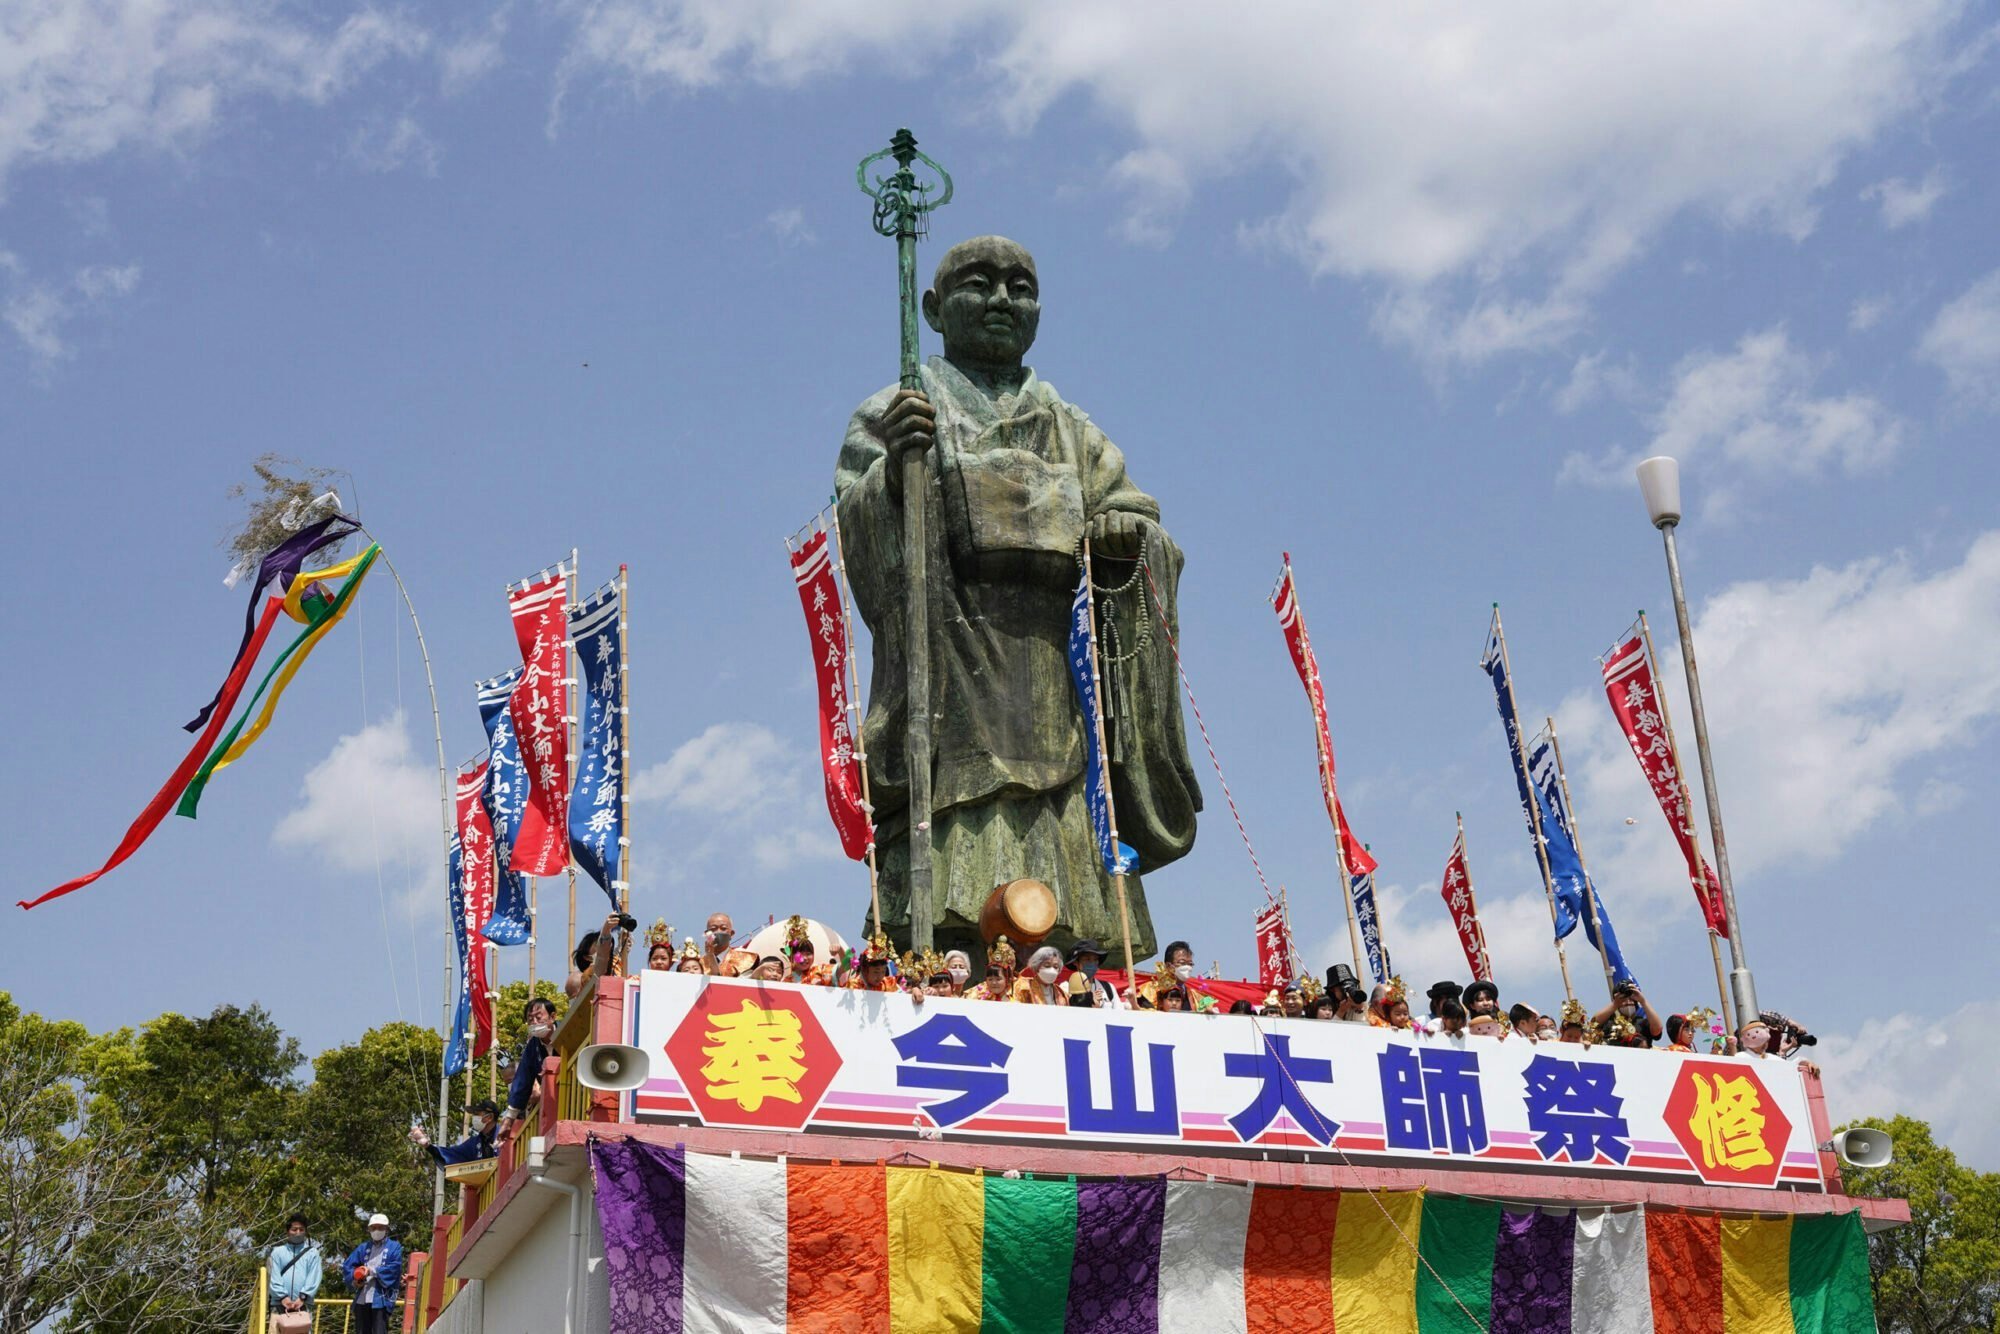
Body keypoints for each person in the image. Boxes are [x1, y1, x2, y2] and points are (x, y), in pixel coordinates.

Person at [835, 235, 1202, 961]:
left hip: (1052, 681)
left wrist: (1126, 537)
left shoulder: (1073, 429)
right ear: (933, 309)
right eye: (979, 283)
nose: (1002, 299)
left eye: (1021, 288)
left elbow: (1138, 519)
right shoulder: (900, 409)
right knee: (950, 890)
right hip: (953, 675)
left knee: (1072, 898)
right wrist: (897, 477)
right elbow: (860, 525)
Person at [496, 998, 557, 1142]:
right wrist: (509, 1120)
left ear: (552, 1017)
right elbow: (522, 1082)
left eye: (538, 1017)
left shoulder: (568, 1030)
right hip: (553, 1106)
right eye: (530, 1020)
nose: (534, 1022)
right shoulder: (532, 1048)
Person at [344, 1214, 404, 1334]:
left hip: (381, 1299)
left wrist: (371, 1271)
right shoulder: (363, 1247)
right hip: (362, 1298)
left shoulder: (394, 1247)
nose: (377, 1230)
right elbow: (348, 1266)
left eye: (380, 1227)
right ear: (369, 1229)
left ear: (386, 1229)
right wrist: (355, 1280)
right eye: (373, 1228)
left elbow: (395, 1267)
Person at [267, 1213, 322, 1331]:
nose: (298, 1232)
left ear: (305, 1231)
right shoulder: (277, 1252)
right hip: (278, 1304)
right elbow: (273, 1276)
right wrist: (283, 1297)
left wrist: (302, 1297)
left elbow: (314, 1277)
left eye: (301, 1229)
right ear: (287, 1231)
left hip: (303, 1305)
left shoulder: (312, 1253)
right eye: (294, 1229)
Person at [409, 1099, 498, 1166]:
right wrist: (428, 1146)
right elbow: (452, 1154)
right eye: (473, 1114)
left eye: (477, 1114)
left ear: (490, 1117)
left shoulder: (504, 1136)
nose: (474, 1117)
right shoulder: (474, 1143)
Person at [566, 912, 623, 998]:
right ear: (587, 957)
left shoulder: (616, 965)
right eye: (597, 944)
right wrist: (605, 931)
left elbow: (622, 947)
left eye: (610, 944)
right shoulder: (589, 974)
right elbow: (602, 959)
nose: (607, 947)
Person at [1592, 981, 1663, 1048]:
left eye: (1631, 999)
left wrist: (1643, 1001)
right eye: (1624, 999)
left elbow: (1657, 1029)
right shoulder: (1609, 1021)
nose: (1628, 1002)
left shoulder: (1643, 1022)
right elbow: (1594, 1023)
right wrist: (1615, 1004)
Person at [1064, 939, 1124, 1008]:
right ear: (1076, 963)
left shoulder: (1108, 988)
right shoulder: (1065, 988)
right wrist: (1089, 1002)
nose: (1092, 963)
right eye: (1087, 959)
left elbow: (1119, 1012)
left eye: (1095, 959)